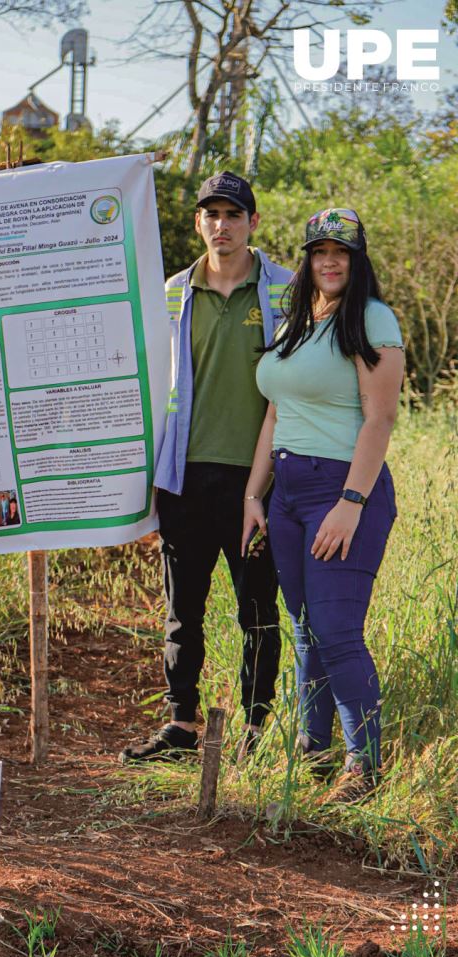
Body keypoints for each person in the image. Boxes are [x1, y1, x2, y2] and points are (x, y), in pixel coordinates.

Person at [120, 172, 292, 763]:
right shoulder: (169, 292)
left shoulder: (287, 293)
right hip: (186, 478)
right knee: (181, 609)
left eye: (233, 215)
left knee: (257, 614)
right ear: (198, 222)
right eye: (211, 214)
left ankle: (256, 732)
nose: (222, 225)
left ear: (253, 223)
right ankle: (181, 726)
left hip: (258, 484)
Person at [242, 208, 404, 801]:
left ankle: (364, 771)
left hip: (343, 490)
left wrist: (351, 502)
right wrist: (253, 495)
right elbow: (276, 413)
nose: (329, 261)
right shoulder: (295, 322)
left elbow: (380, 418)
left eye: (341, 252)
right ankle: (313, 757)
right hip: (286, 494)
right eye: (318, 251)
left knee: (337, 631)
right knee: (306, 631)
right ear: (307, 259)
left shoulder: (372, 319)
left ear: (356, 260)